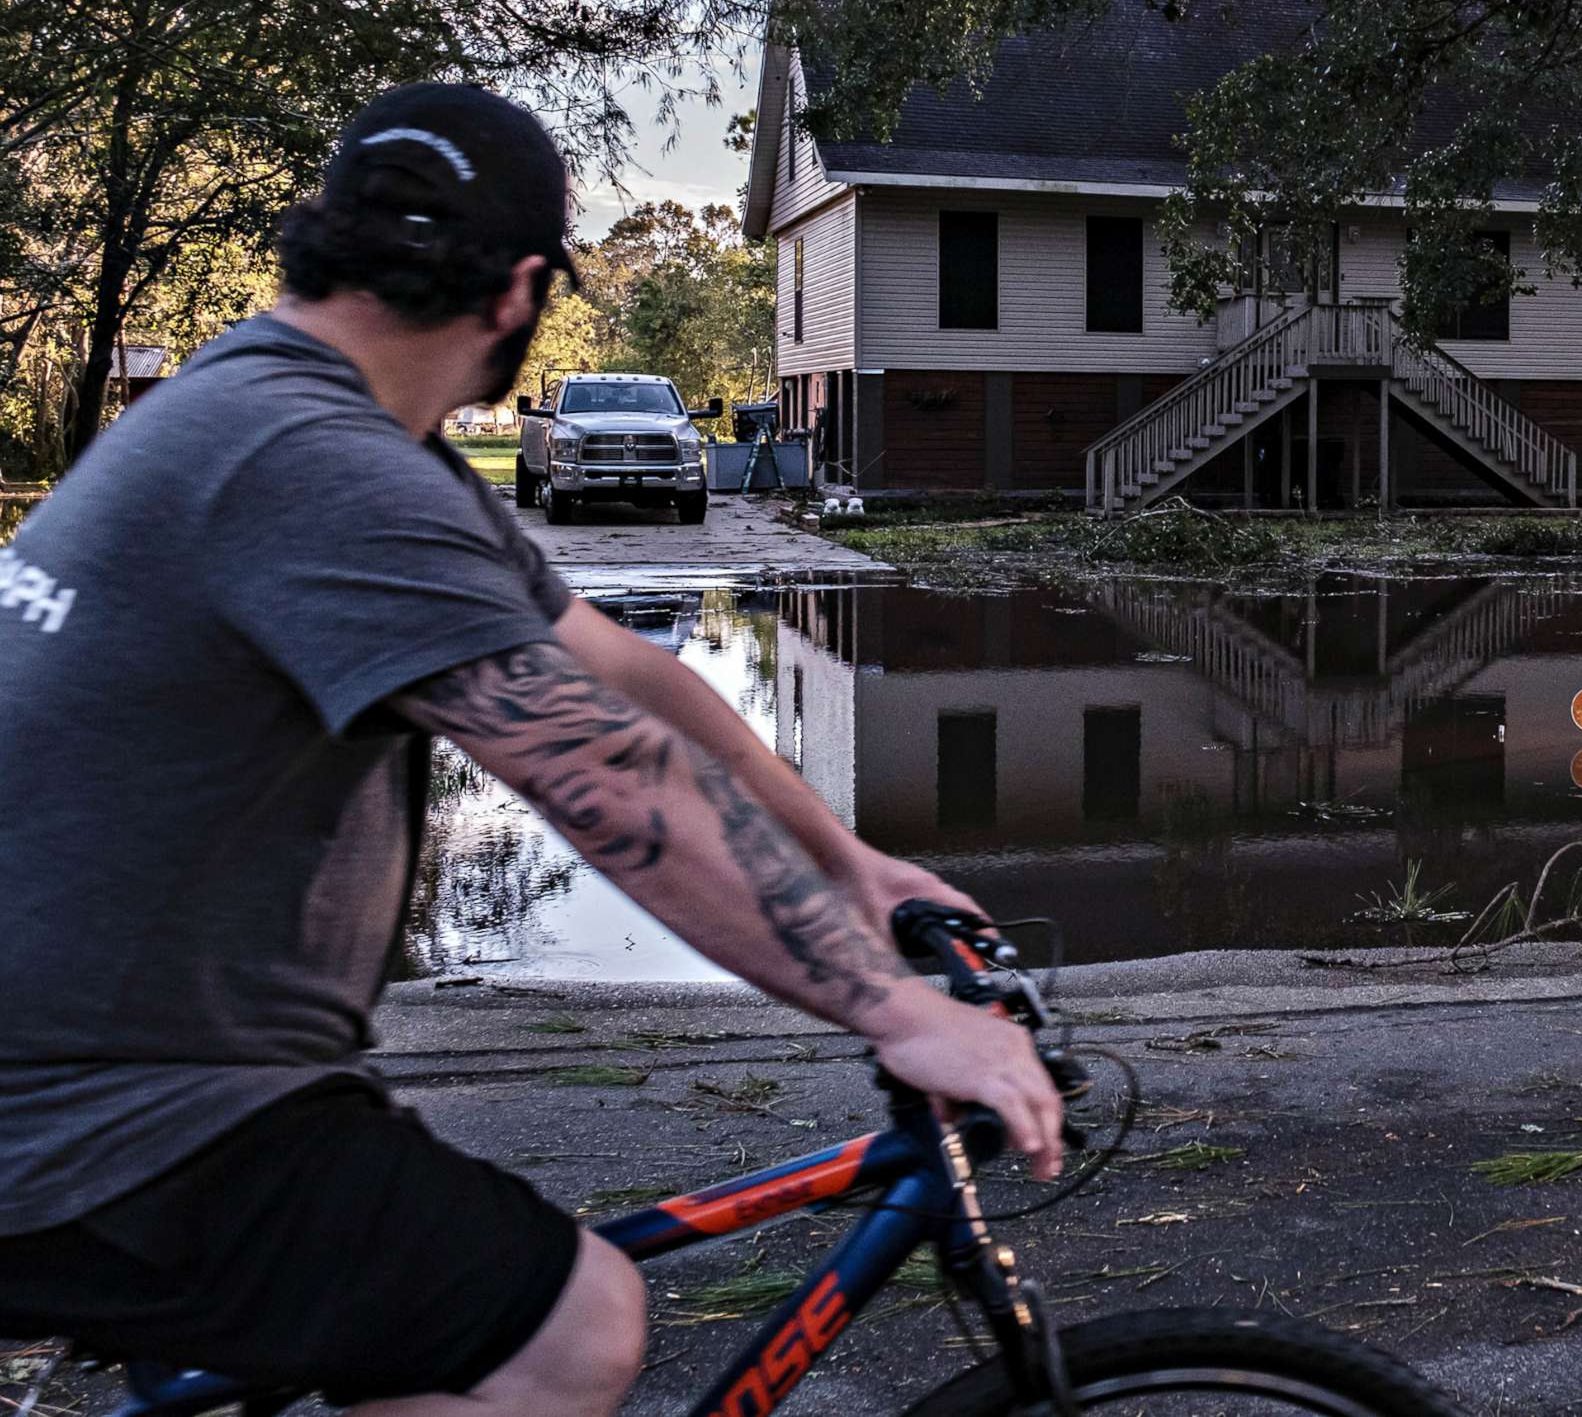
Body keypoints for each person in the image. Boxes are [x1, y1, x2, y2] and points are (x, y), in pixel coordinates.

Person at [0, 83, 1063, 1415]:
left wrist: (847, 861)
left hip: (130, 1073)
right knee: (567, 1325)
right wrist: (898, 1010)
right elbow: (603, 775)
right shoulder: (318, 464)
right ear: (516, 293)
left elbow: (621, 674)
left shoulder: (300, 422)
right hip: (89, 1122)